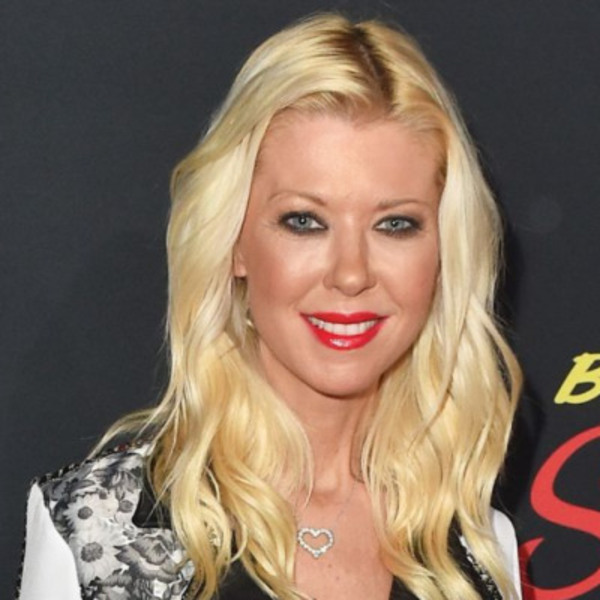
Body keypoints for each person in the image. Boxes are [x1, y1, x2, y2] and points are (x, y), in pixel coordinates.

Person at [17, 13, 522, 600]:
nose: (351, 273)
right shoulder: (97, 530)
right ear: (234, 241)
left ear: (442, 253)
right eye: (304, 221)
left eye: (395, 224)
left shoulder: (476, 545)